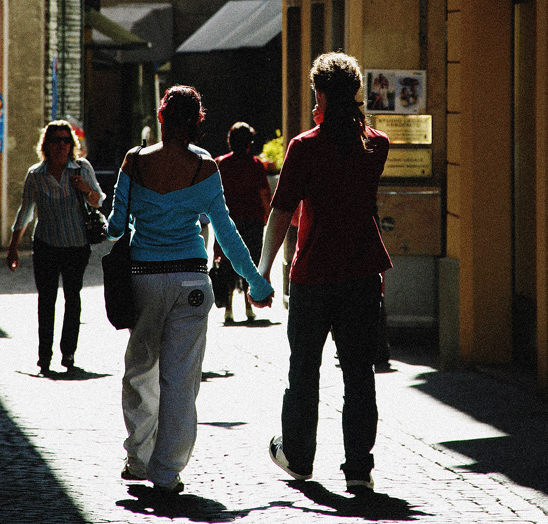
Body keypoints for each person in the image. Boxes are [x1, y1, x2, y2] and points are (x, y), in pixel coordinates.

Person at [106, 85, 273, 503]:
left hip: (144, 278)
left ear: (161, 117)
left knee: (141, 370)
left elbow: (115, 227)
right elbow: (228, 235)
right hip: (192, 283)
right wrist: (256, 283)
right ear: (198, 123)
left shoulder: (133, 161)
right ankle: (167, 472)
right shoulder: (205, 169)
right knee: (181, 380)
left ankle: (138, 459)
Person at [251, 52, 391, 493]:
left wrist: (262, 272)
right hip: (363, 272)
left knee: (304, 370)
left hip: (313, 274)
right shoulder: (377, 144)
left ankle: (297, 455)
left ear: (322, 95)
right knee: (359, 374)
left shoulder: (304, 146)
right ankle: (359, 468)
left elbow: (281, 212)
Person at [6, 120, 105, 375]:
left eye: (66, 140)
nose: (61, 145)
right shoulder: (35, 175)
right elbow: (26, 211)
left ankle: (68, 352)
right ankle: (44, 356)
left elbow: (98, 201)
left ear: (71, 144)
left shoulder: (81, 169)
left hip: (76, 245)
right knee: (46, 301)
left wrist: (84, 188)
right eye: (56, 140)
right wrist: (13, 246)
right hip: (46, 245)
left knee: (72, 299)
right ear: (46, 145)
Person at [215, 122, 271, 323]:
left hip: (227, 221)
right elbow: (264, 194)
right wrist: (268, 216)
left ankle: (228, 308)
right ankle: (249, 306)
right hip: (252, 221)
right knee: (250, 261)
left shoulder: (220, 164)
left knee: (228, 262)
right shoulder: (255, 165)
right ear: (249, 143)